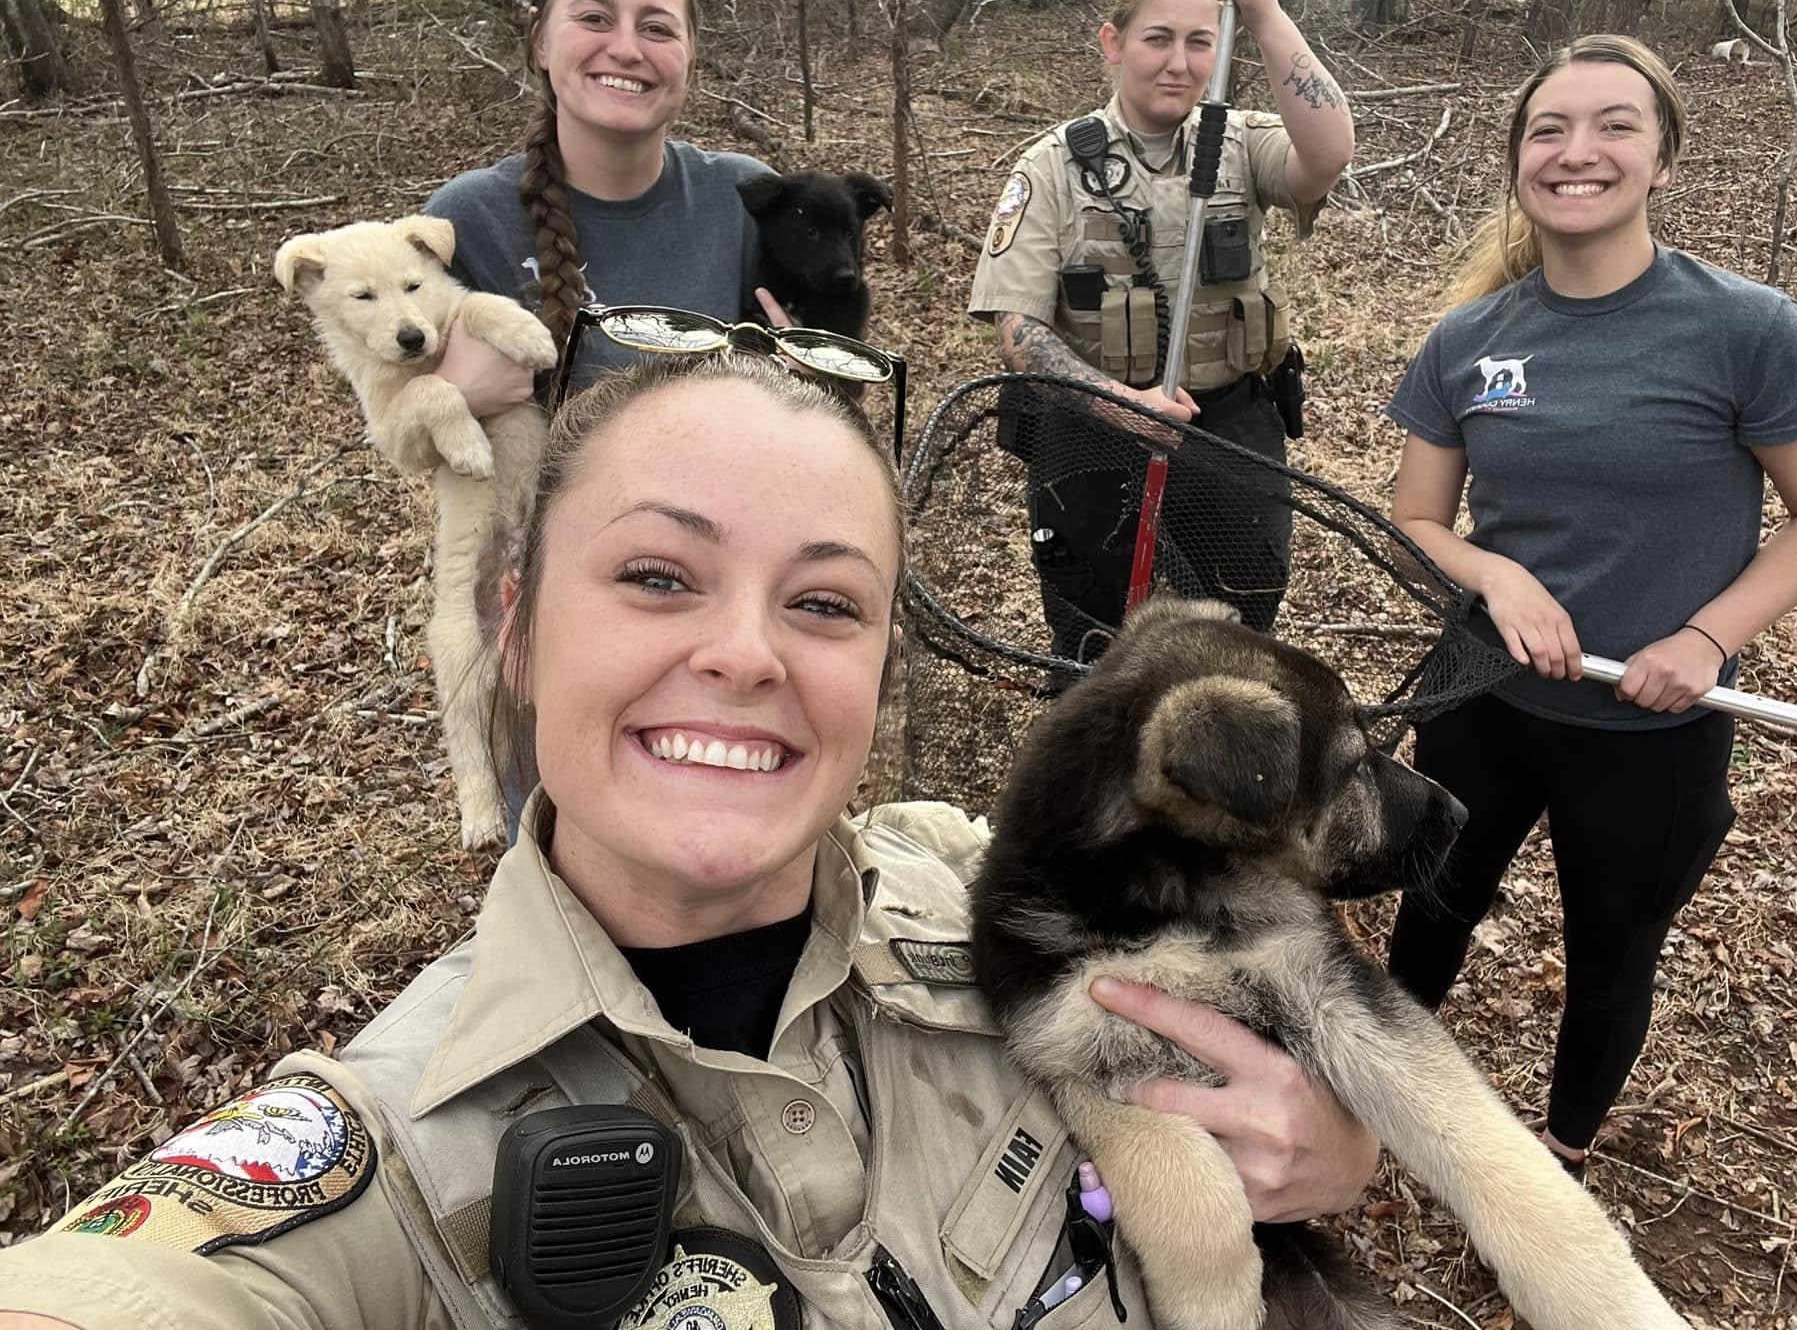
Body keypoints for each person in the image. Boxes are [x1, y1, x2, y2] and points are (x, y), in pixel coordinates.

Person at [0, 346, 1380, 1330]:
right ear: (517, 625)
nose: (745, 655)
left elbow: (1320, 1051)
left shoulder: (1004, 904)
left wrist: (1333, 1142)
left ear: (881, 672)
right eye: (659, 577)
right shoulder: (399, 1162)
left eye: (826, 605)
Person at [1381, 34, 1797, 1177]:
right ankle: (1372, 1100)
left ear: (1660, 161)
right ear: (1516, 163)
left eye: (1613, 125)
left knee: (1611, 951)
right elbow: (1415, 519)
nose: (1575, 151)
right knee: (1431, 906)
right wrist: (1496, 577)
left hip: (1650, 729)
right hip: (1480, 699)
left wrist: (1705, 637)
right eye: (1546, 130)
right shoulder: (1468, 341)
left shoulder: (1746, 329)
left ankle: (1560, 1154)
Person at [967, 0, 1354, 661]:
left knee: (1240, 627)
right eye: (1158, 39)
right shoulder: (1051, 167)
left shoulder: (1244, 144)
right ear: (1113, 44)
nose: (1180, 63)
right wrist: (1120, 402)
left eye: (1201, 42)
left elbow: (1330, 152)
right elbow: (1019, 329)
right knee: (1096, 636)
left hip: (1231, 424)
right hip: (1093, 435)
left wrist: (1266, 12)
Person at [424, 0, 779, 421]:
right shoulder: (467, 222)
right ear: (540, 39)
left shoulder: (748, 196)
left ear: (690, 56)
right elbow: (405, 424)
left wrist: (823, 393)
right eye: (594, 18)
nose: (628, 50)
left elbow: (825, 398)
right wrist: (453, 402)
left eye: (657, 28)